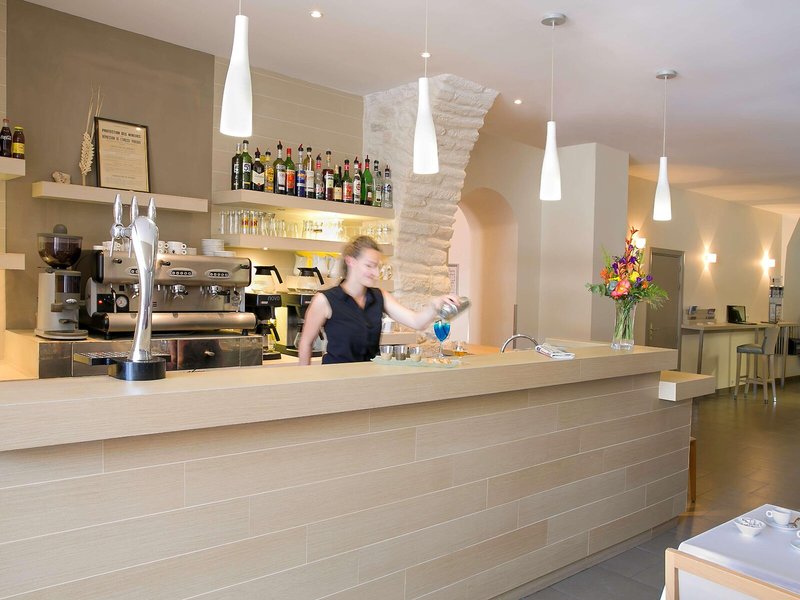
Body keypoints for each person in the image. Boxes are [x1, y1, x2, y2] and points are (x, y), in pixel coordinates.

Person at [298, 236, 459, 365]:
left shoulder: (379, 296)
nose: (376, 273)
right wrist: (304, 384)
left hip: (371, 378)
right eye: (369, 266)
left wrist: (435, 306)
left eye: (377, 267)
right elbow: (305, 343)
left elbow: (416, 322)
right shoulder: (325, 300)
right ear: (350, 261)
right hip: (336, 380)